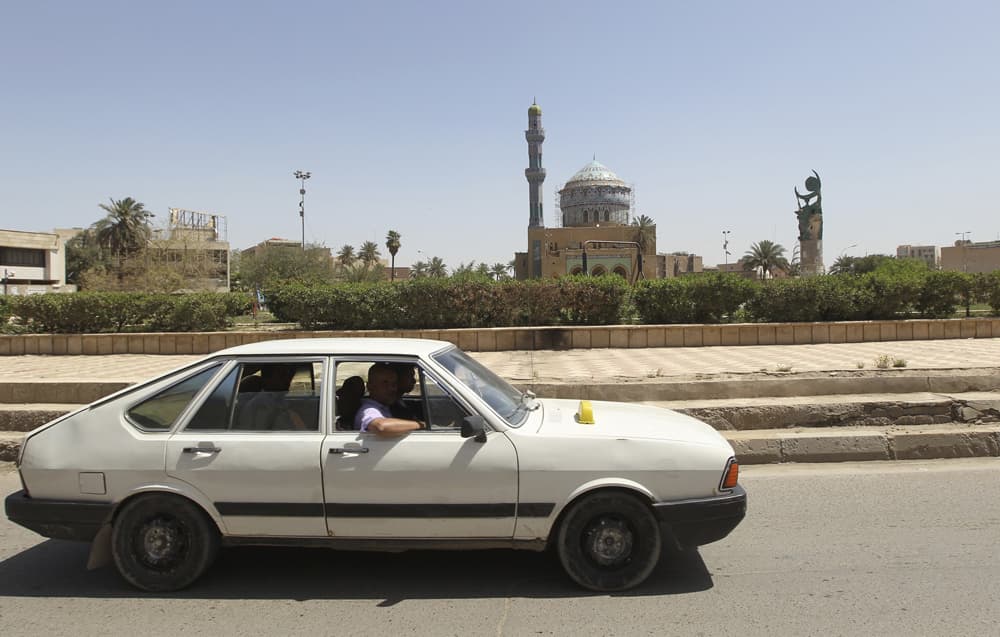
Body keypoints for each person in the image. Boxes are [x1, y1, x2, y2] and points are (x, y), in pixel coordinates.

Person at [354, 363, 426, 435]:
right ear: (370, 386)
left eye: (394, 384)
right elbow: (381, 426)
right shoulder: (368, 409)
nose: (391, 388)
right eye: (385, 383)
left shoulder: (384, 406)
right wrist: (421, 425)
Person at [239, 364, 308, 430]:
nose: (287, 379)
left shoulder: (279, 400)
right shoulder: (259, 405)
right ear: (268, 378)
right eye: (282, 375)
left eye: (288, 374)